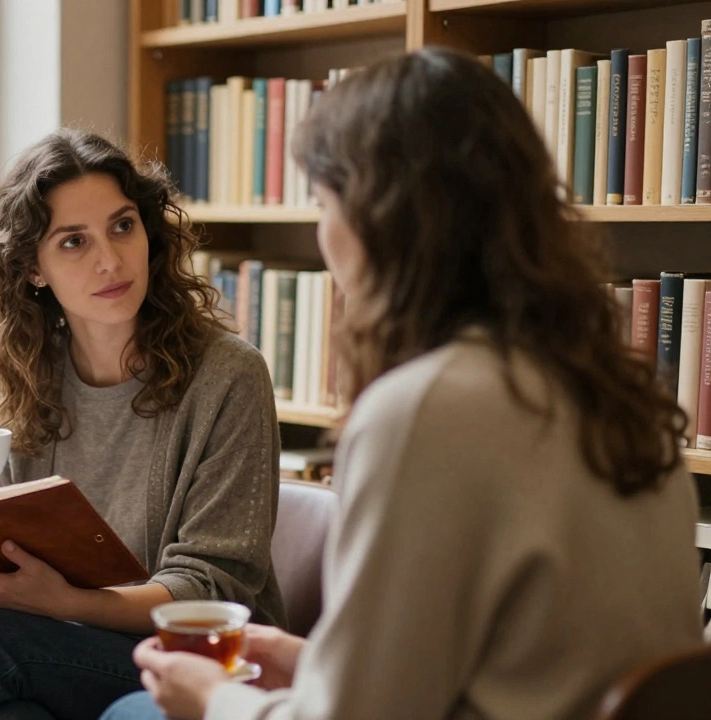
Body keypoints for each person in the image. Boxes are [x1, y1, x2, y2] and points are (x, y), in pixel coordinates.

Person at [104, 47, 705, 720]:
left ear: (378, 220)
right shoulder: (617, 394)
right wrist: (312, 663)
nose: (322, 233)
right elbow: (524, 663)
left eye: (324, 202)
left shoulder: (424, 409)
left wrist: (213, 700)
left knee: (134, 712)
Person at [0, 129, 288, 720]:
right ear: (32, 269)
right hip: (46, 653)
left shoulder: (229, 376)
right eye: (73, 241)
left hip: (184, 662)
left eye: (123, 226)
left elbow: (211, 589)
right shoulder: (11, 382)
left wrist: (66, 602)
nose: (109, 259)